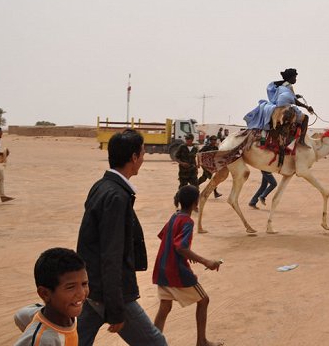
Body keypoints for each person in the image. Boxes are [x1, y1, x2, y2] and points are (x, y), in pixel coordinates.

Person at [76, 129, 167, 346]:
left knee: (76, 342)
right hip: (109, 292)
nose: (143, 158)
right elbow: (111, 254)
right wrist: (116, 308)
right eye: (142, 153)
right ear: (134, 157)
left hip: (93, 285)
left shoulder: (102, 186)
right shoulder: (116, 196)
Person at [153, 185, 223, 346]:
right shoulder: (188, 222)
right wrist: (206, 261)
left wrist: (185, 252)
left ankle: (152, 342)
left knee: (165, 306)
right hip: (176, 271)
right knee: (204, 300)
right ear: (195, 203)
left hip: (162, 267)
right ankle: (202, 341)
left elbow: (164, 236)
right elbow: (181, 247)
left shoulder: (174, 216)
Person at [14, 248, 89, 346]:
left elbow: (20, 315)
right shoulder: (43, 341)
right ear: (45, 294)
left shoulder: (67, 313)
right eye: (70, 287)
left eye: (84, 284)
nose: (81, 293)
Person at [243, 68, 314, 146]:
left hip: (276, 106)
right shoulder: (288, 86)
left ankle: (265, 137)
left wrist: (296, 96)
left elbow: (287, 97)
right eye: (295, 77)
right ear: (291, 77)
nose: (295, 79)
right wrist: (307, 107)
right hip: (283, 107)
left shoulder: (282, 86)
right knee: (306, 118)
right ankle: (301, 140)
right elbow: (292, 100)